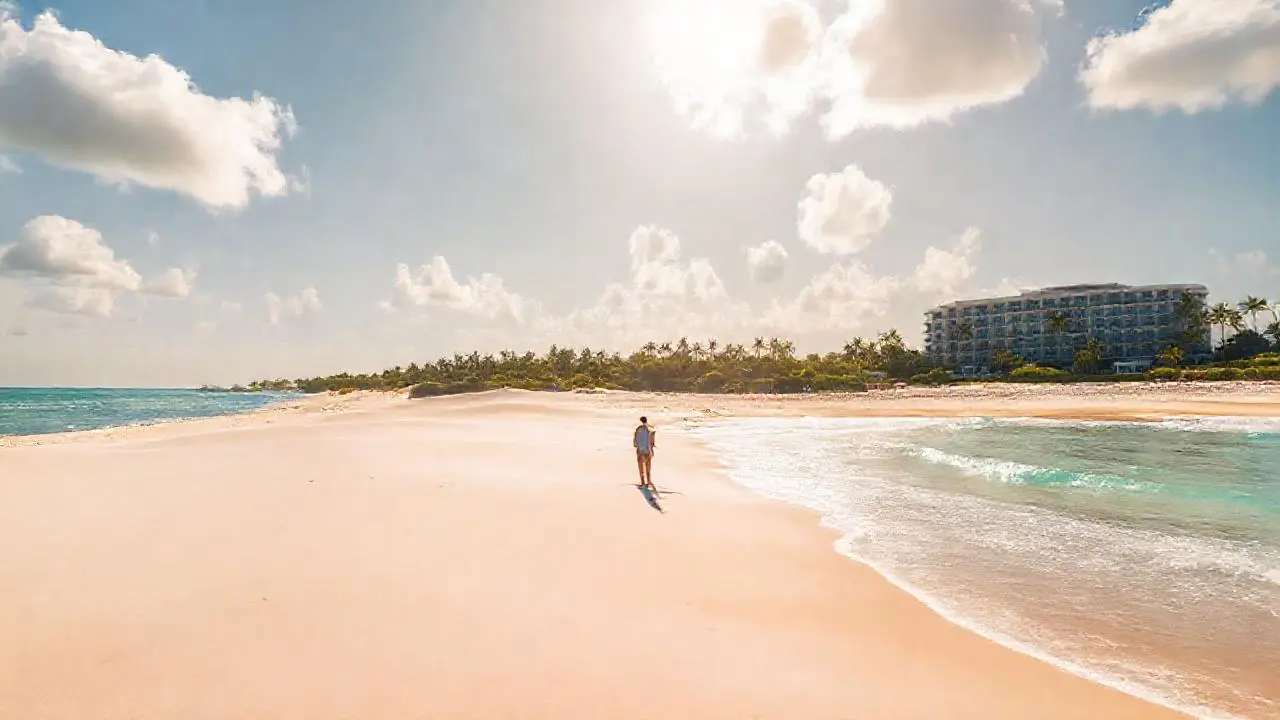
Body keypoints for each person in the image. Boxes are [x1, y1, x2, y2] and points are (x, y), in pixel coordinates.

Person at [633, 416, 656, 489]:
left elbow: (635, 443)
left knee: (641, 468)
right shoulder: (651, 429)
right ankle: (648, 481)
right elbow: (652, 442)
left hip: (640, 451)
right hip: (647, 451)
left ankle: (643, 482)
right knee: (648, 467)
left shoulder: (638, 429)